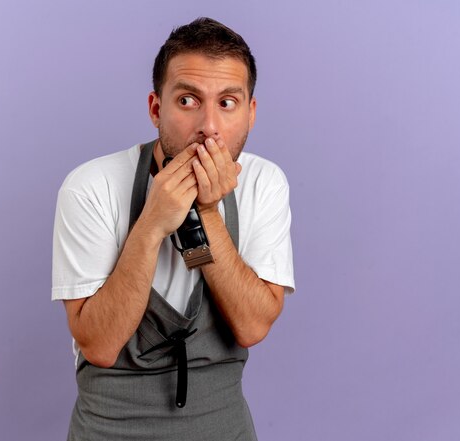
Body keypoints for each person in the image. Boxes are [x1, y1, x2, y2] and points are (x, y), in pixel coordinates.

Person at [52, 17, 295, 441]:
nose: (209, 127)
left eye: (227, 103)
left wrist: (209, 213)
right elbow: (99, 346)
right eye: (187, 100)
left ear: (250, 113)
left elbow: (253, 327)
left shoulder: (264, 183)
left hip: (223, 426)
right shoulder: (91, 187)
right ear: (155, 108)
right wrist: (150, 225)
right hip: (109, 429)